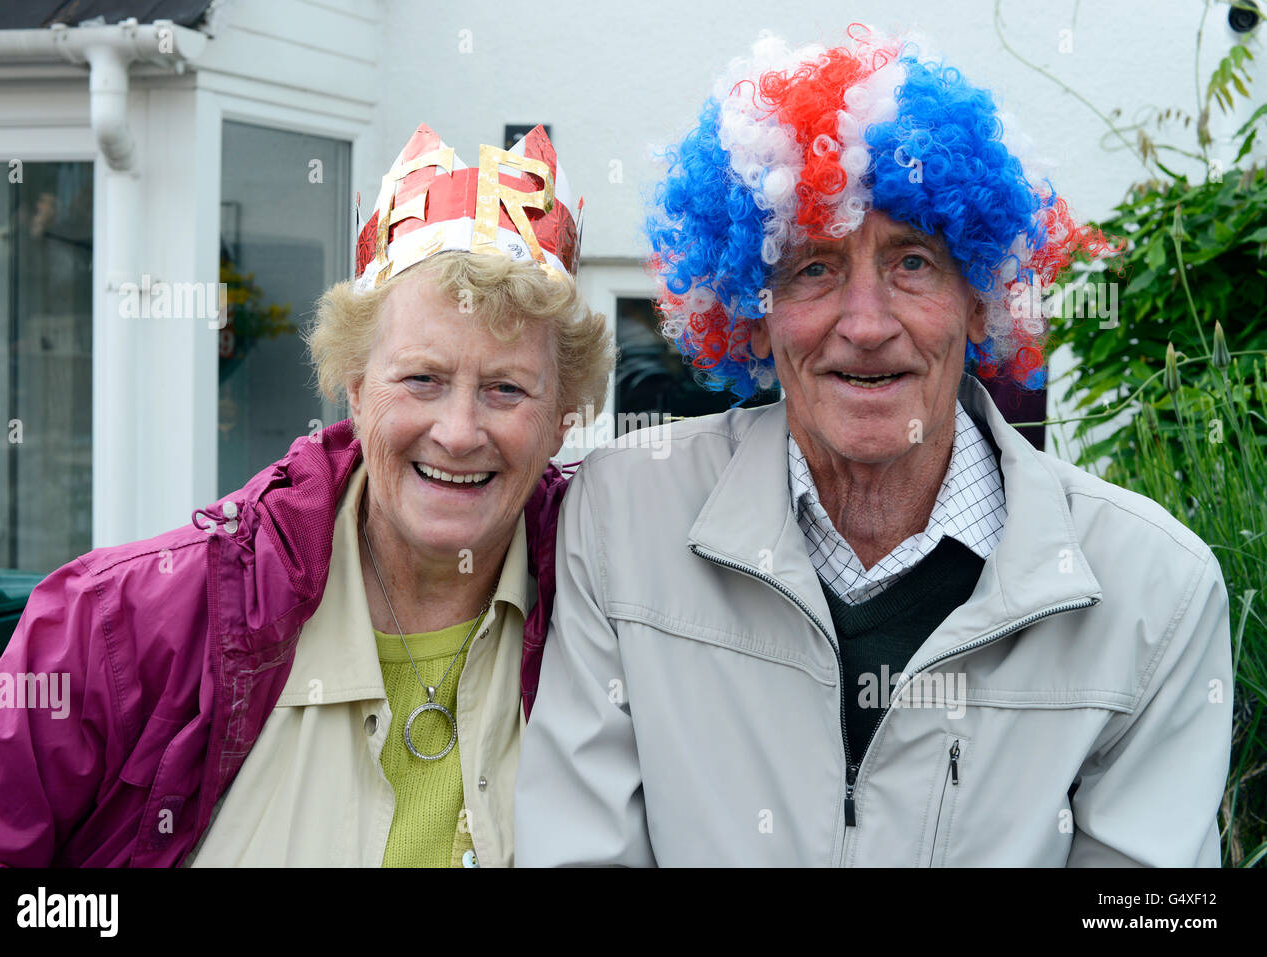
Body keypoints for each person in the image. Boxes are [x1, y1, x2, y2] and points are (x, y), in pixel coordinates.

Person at [515, 28, 1233, 866]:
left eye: (914, 262)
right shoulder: (620, 516)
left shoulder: (1155, 591)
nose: (864, 323)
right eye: (814, 267)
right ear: (754, 309)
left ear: (979, 298)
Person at [0, 124, 612, 867]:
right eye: (421, 379)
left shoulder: (611, 612)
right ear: (356, 386)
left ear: (564, 414)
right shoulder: (134, 620)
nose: (459, 431)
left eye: (506, 388)